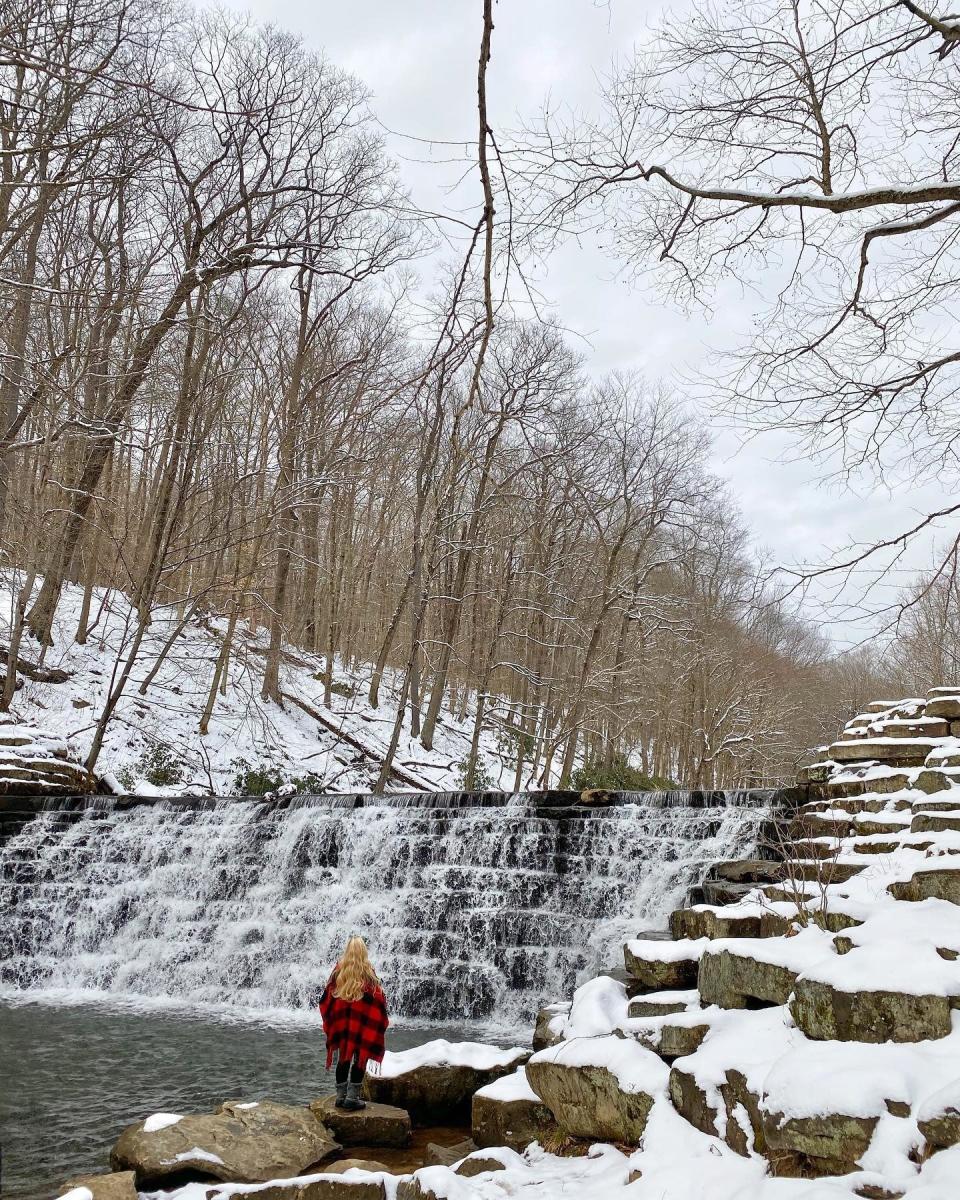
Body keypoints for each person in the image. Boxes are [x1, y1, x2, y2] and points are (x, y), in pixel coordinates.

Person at [318, 936, 389, 1110]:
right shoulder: (369, 973)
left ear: (347, 951)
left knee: (344, 1057)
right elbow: (379, 1001)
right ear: (364, 952)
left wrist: (332, 1020)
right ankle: (352, 1097)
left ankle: (340, 1097)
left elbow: (325, 999)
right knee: (360, 1058)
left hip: (343, 1025)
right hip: (362, 1026)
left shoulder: (339, 971)